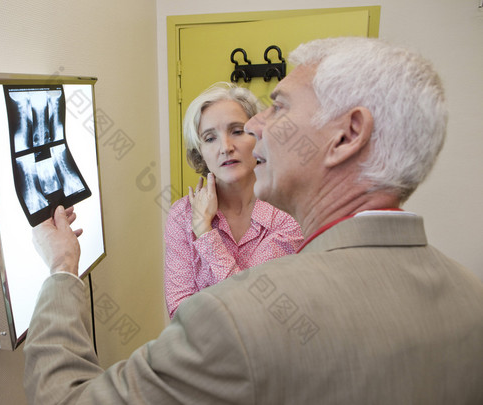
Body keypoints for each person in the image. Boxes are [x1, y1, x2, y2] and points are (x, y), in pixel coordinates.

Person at [24, 37, 483, 404]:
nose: (255, 127)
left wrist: (64, 268)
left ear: (347, 135)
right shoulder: (472, 298)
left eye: (278, 106)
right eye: (210, 137)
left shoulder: (236, 318)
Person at [164, 83, 303, 318]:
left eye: (237, 131)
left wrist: (205, 233)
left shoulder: (288, 214)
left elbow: (253, 308)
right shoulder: (182, 215)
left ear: (259, 137)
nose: (226, 148)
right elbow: (180, 313)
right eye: (210, 138)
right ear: (200, 152)